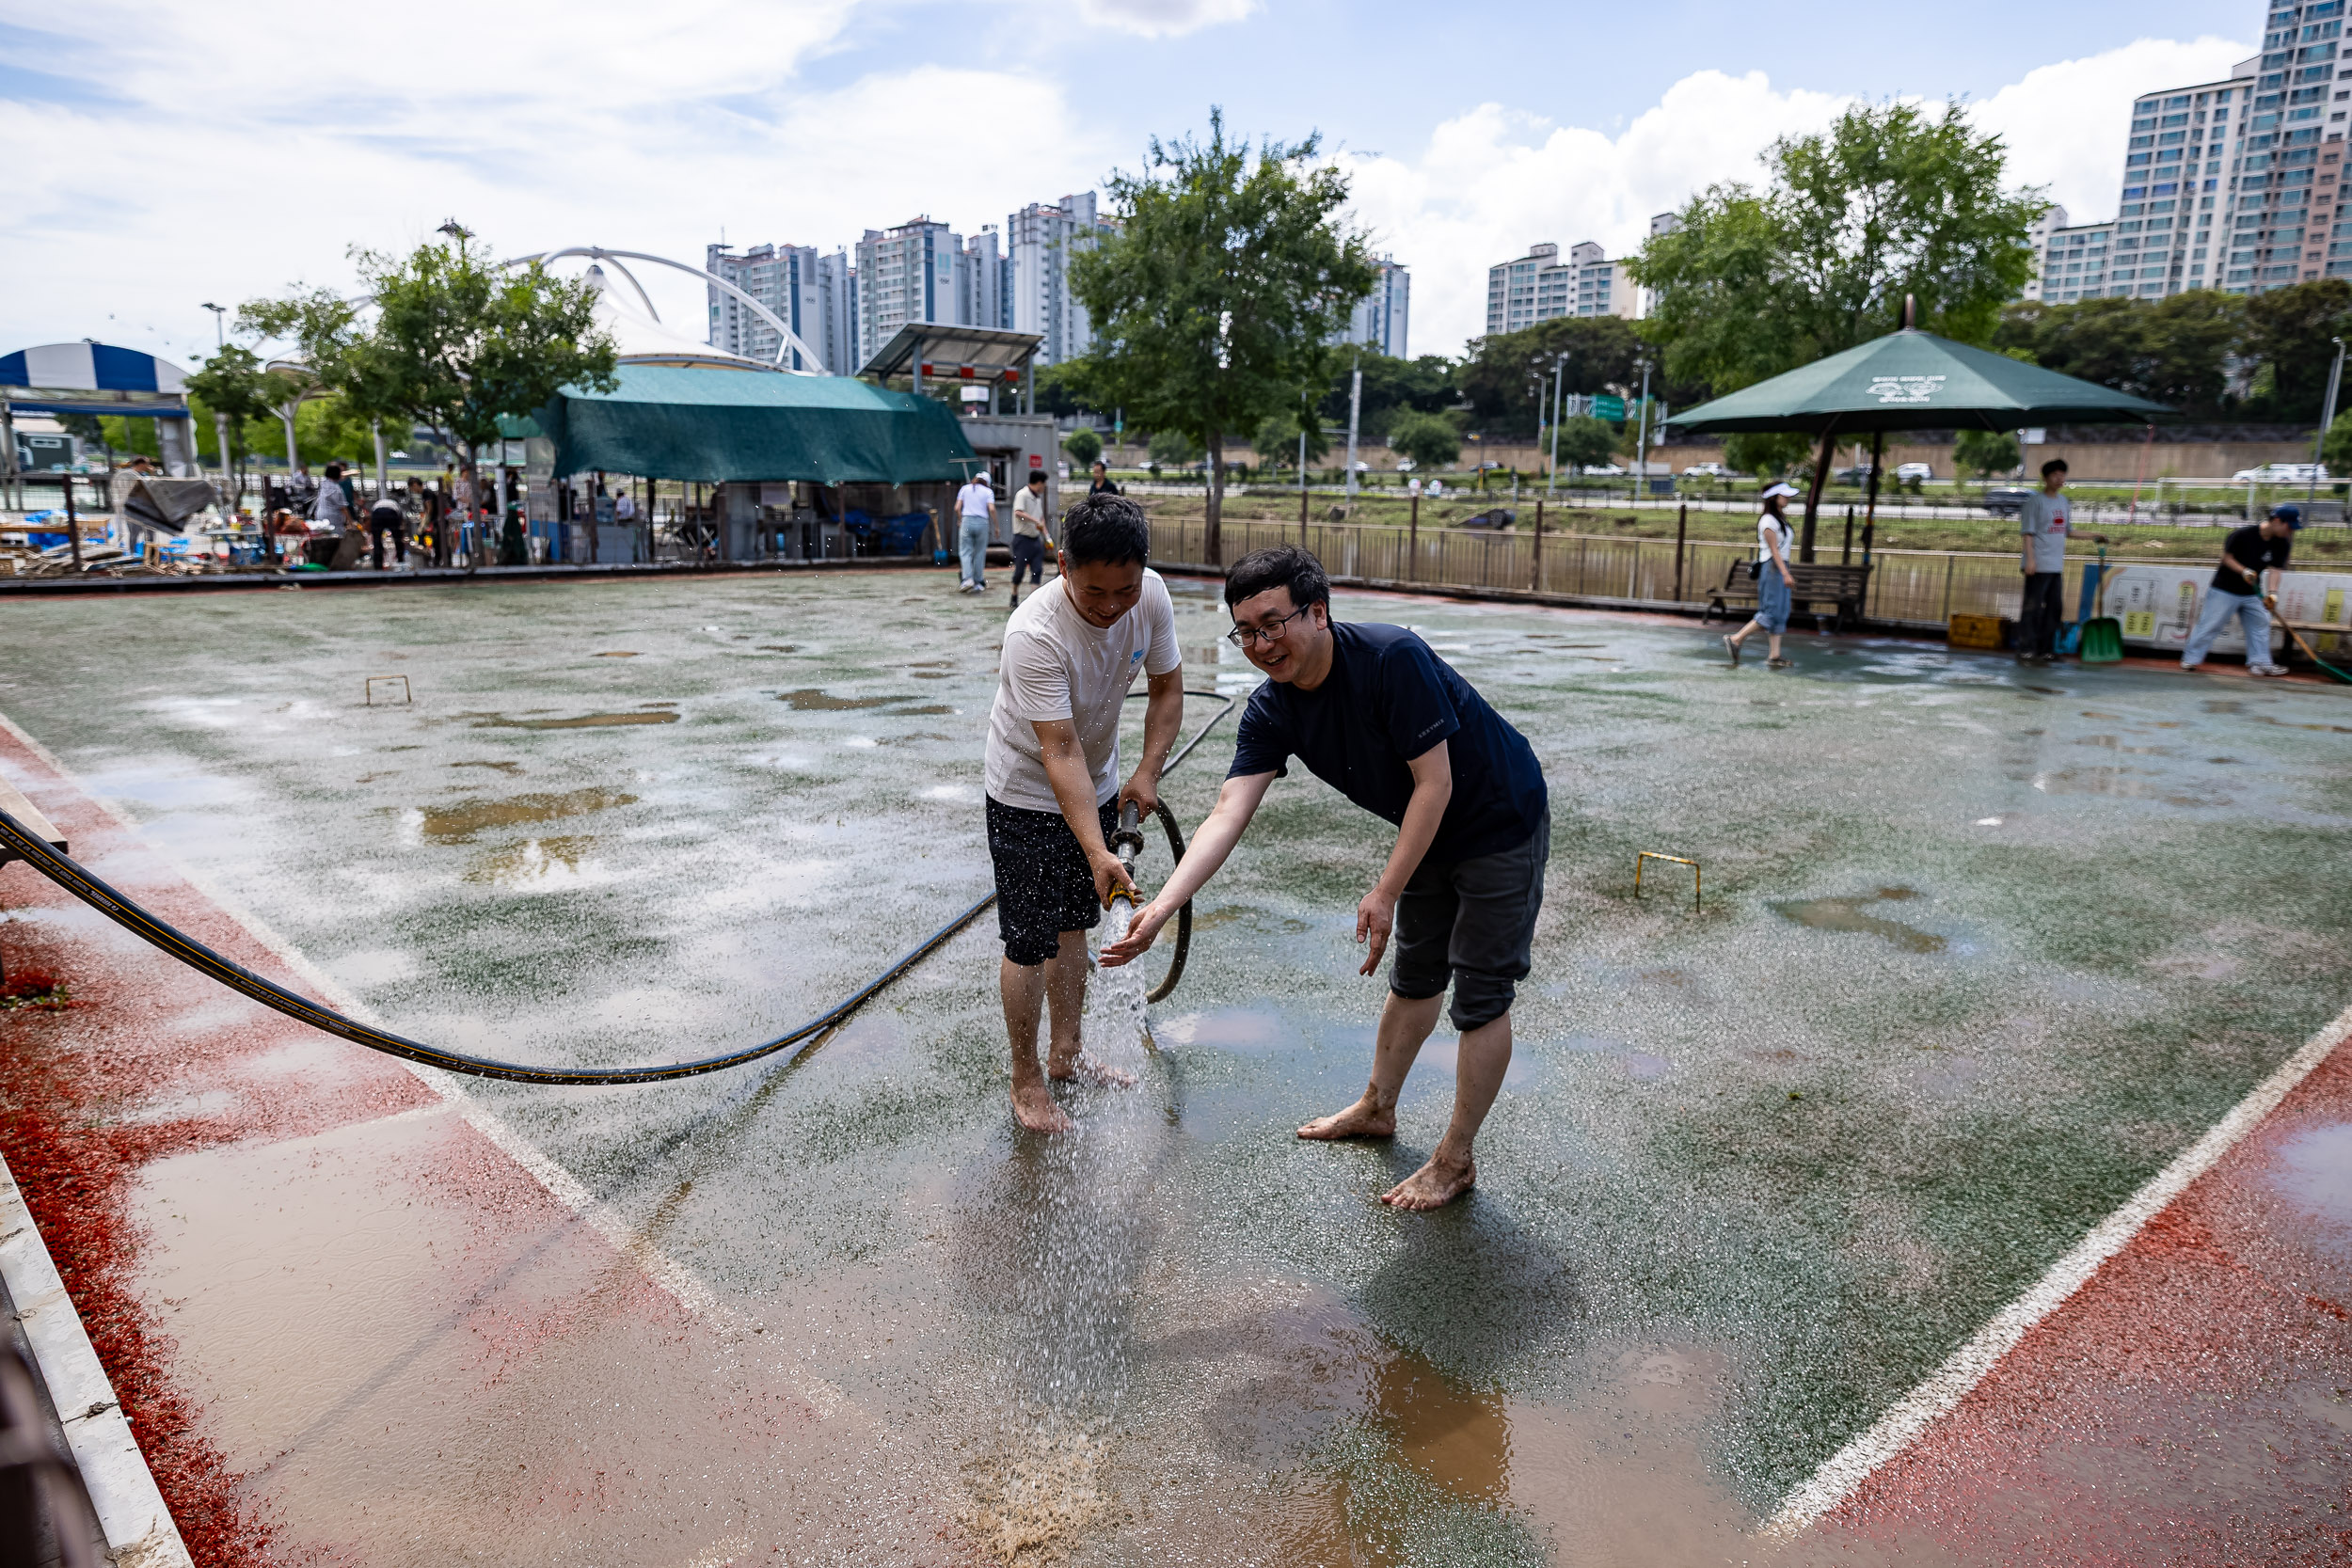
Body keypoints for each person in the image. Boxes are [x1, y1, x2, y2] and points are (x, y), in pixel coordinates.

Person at [1101, 545, 1549, 1211]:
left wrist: (1386, 889)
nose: (1261, 645)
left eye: (1273, 623)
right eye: (1246, 631)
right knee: (1416, 975)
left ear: (1318, 612)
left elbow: (1436, 783)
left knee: (1481, 994)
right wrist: (1162, 908)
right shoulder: (1272, 709)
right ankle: (1377, 1106)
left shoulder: (1392, 659)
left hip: (1498, 819)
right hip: (1425, 829)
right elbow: (1228, 811)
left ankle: (1455, 1159)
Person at [986, 492, 1183, 1133]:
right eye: (1095, 591)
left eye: (1124, 590)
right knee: (1029, 938)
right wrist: (1098, 850)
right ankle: (1025, 1078)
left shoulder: (1150, 596)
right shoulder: (1034, 634)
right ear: (1064, 565)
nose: (1111, 606)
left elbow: (1167, 687)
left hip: (1096, 780)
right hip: (1025, 792)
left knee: (1075, 924)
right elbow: (1059, 748)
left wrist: (1146, 771)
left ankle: (1066, 1053)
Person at [2183, 503, 2300, 676]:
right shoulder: (2243, 535)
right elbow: (2227, 558)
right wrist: (2243, 571)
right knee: (2210, 624)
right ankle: (2191, 659)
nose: (2291, 531)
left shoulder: (2282, 543)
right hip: (2224, 589)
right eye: (2289, 527)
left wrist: (2272, 593)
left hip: (2252, 592)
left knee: (2260, 623)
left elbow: (2275, 570)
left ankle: (2260, 663)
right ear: (2277, 521)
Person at [1723, 482, 1798, 669]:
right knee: (1770, 611)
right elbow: (1774, 550)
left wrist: (1785, 571)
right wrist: (1785, 573)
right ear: (1774, 498)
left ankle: (1774, 655)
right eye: (1784, 495)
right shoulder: (1768, 521)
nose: (1788, 498)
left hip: (1780, 566)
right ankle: (1736, 638)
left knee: (1781, 611)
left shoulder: (1779, 519)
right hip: (1773, 567)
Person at [2016, 459, 2071, 665]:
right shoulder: (2035, 502)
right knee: (2033, 608)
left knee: (2054, 608)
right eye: (2055, 475)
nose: (2059, 478)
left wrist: (2095, 535)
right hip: (2038, 565)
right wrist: (2030, 560)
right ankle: (2027, 649)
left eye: (2062, 474)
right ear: (2045, 478)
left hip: (2055, 566)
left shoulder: (2064, 502)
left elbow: (2068, 531)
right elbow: (2028, 533)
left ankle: (2046, 649)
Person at [1009, 469, 1052, 607]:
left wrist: (1047, 537)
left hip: (1035, 539)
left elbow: (1041, 519)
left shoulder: (1037, 498)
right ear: (1039, 483)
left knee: (1037, 570)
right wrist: (1035, 521)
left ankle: (1034, 601)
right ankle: (1014, 594)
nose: (1044, 487)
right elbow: (1018, 513)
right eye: (1044, 484)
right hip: (1022, 539)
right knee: (1019, 571)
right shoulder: (1022, 494)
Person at [955, 468, 997, 593]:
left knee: (965, 552)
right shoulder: (988, 491)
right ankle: (978, 582)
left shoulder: (965, 489)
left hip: (967, 521)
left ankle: (967, 579)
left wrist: (960, 520)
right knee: (979, 552)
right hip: (982, 522)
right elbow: (992, 509)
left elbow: (957, 508)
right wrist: (996, 526)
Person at [368, 488, 407, 570]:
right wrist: (401, 536)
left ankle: (378, 565)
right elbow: (401, 523)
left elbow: (371, 517)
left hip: (377, 513)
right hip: (391, 513)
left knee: (377, 541)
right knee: (397, 539)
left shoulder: (378, 503)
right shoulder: (395, 504)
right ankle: (400, 561)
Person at [310, 461, 351, 534]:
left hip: (320, 515)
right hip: (334, 518)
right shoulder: (336, 488)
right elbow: (343, 507)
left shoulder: (323, 483)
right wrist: (350, 522)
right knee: (336, 536)